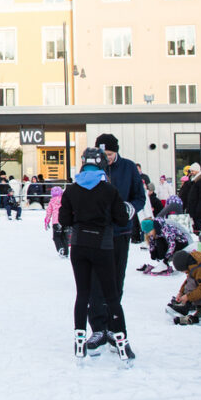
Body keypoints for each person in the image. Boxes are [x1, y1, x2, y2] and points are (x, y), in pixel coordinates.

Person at [57, 147, 131, 360]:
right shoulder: (109, 190)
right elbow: (121, 219)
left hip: (79, 245)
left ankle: (79, 340)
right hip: (103, 245)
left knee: (83, 294)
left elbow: (64, 220)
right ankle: (122, 341)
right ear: (101, 165)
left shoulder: (71, 190)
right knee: (111, 296)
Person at [84, 134, 145, 351]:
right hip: (96, 233)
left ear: (116, 151)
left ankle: (112, 325)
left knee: (116, 280)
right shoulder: (90, 169)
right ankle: (98, 328)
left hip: (120, 232)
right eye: (103, 155)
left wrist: (130, 208)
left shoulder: (128, 168)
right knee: (94, 281)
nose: (107, 159)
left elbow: (140, 197)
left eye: (109, 154)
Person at [43, 185, 67, 257]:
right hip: (64, 221)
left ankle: (60, 248)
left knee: (56, 237)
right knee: (64, 237)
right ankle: (66, 252)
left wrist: (46, 222)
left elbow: (49, 212)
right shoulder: (64, 200)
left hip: (56, 222)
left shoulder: (52, 201)